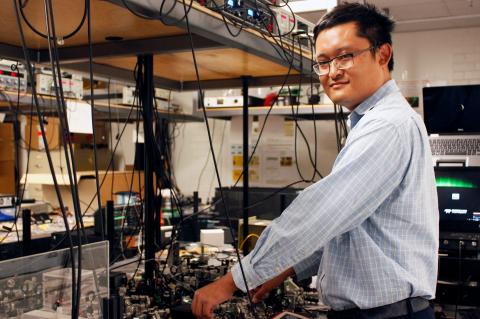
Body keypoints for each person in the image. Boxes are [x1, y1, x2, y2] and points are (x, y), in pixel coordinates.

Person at [192, 3, 439, 319]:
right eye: (323, 62)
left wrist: (233, 281)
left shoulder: (387, 125)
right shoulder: (375, 122)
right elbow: (347, 228)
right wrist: (285, 268)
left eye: (345, 56)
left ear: (382, 54)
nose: (333, 71)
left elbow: (321, 213)